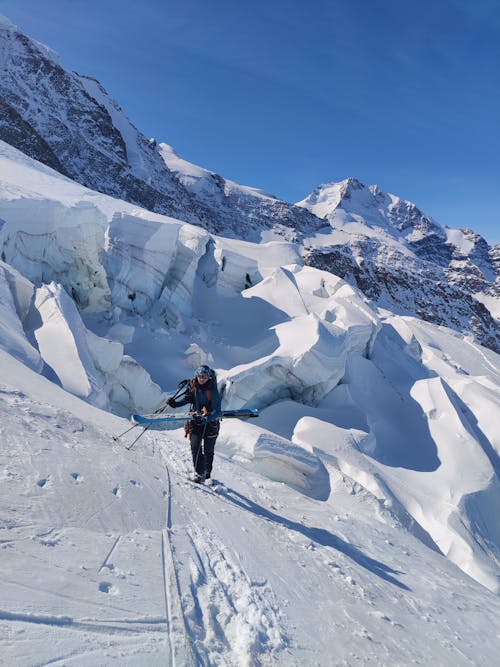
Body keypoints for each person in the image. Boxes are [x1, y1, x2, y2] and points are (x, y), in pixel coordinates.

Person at [168, 365, 222, 484]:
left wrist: (204, 419)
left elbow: (217, 412)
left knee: (208, 451)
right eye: (199, 376)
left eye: (204, 376)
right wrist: (175, 404)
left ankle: (207, 476)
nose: (202, 379)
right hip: (195, 421)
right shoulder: (193, 386)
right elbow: (188, 399)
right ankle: (199, 473)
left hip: (211, 424)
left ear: (209, 377)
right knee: (195, 446)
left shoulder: (213, 391)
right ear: (196, 376)